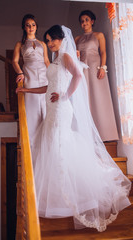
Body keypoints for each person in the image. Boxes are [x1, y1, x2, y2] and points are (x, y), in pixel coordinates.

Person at [16, 25, 131, 232]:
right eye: (48, 40)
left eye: (53, 40)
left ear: (62, 40)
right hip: (53, 107)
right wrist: (26, 89)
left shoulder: (67, 57)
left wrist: (65, 96)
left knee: (59, 144)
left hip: (61, 108)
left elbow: (78, 75)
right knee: (53, 145)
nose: (50, 43)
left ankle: (71, 195)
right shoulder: (56, 60)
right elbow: (49, 87)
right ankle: (59, 193)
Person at [75, 10, 119, 142]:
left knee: (99, 99)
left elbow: (103, 52)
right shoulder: (77, 39)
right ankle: (87, 133)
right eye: (82, 21)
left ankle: (105, 134)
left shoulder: (99, 35)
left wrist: (103, 68)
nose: (84, 23)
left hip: (96, 69)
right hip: (82, 70)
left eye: (87, 20)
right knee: (85, 99)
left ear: (92, 21)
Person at [12, 14, 50, 147]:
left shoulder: (43, 44)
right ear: (24, 27)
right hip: (29, 75)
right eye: (28, 25)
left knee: (46, 108)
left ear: (36, 26)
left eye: (33, 25)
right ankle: (31, 145)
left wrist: (53, 75)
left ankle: (46, 144)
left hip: (44, 76)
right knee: (32, 109)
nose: (31, 27)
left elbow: (46, 61)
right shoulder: (20, 44)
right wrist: (20, 73)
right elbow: (15, 61)